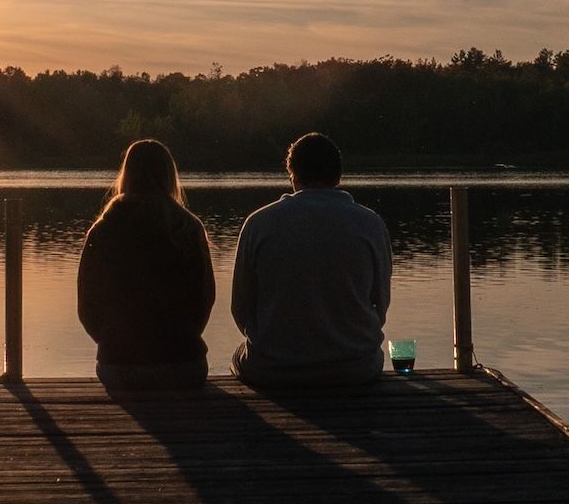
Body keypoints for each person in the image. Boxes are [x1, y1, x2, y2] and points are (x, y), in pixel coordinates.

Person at [230, 131, 392, 391]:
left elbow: (240, 308)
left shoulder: (259, 223)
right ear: (338, 176)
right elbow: (381, 303)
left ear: (292, 176)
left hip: (272, 369)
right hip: (354, 368)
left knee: (239, 355)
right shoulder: (370, 224)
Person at [77, 138, 215, 393]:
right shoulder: (189, 228)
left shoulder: (102, 230)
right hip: (184, 367)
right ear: (170, 176)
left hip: (119, 369)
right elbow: (205, 300)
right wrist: (181, 339)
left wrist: (112, 343)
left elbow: (87, 307)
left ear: (126, 175)